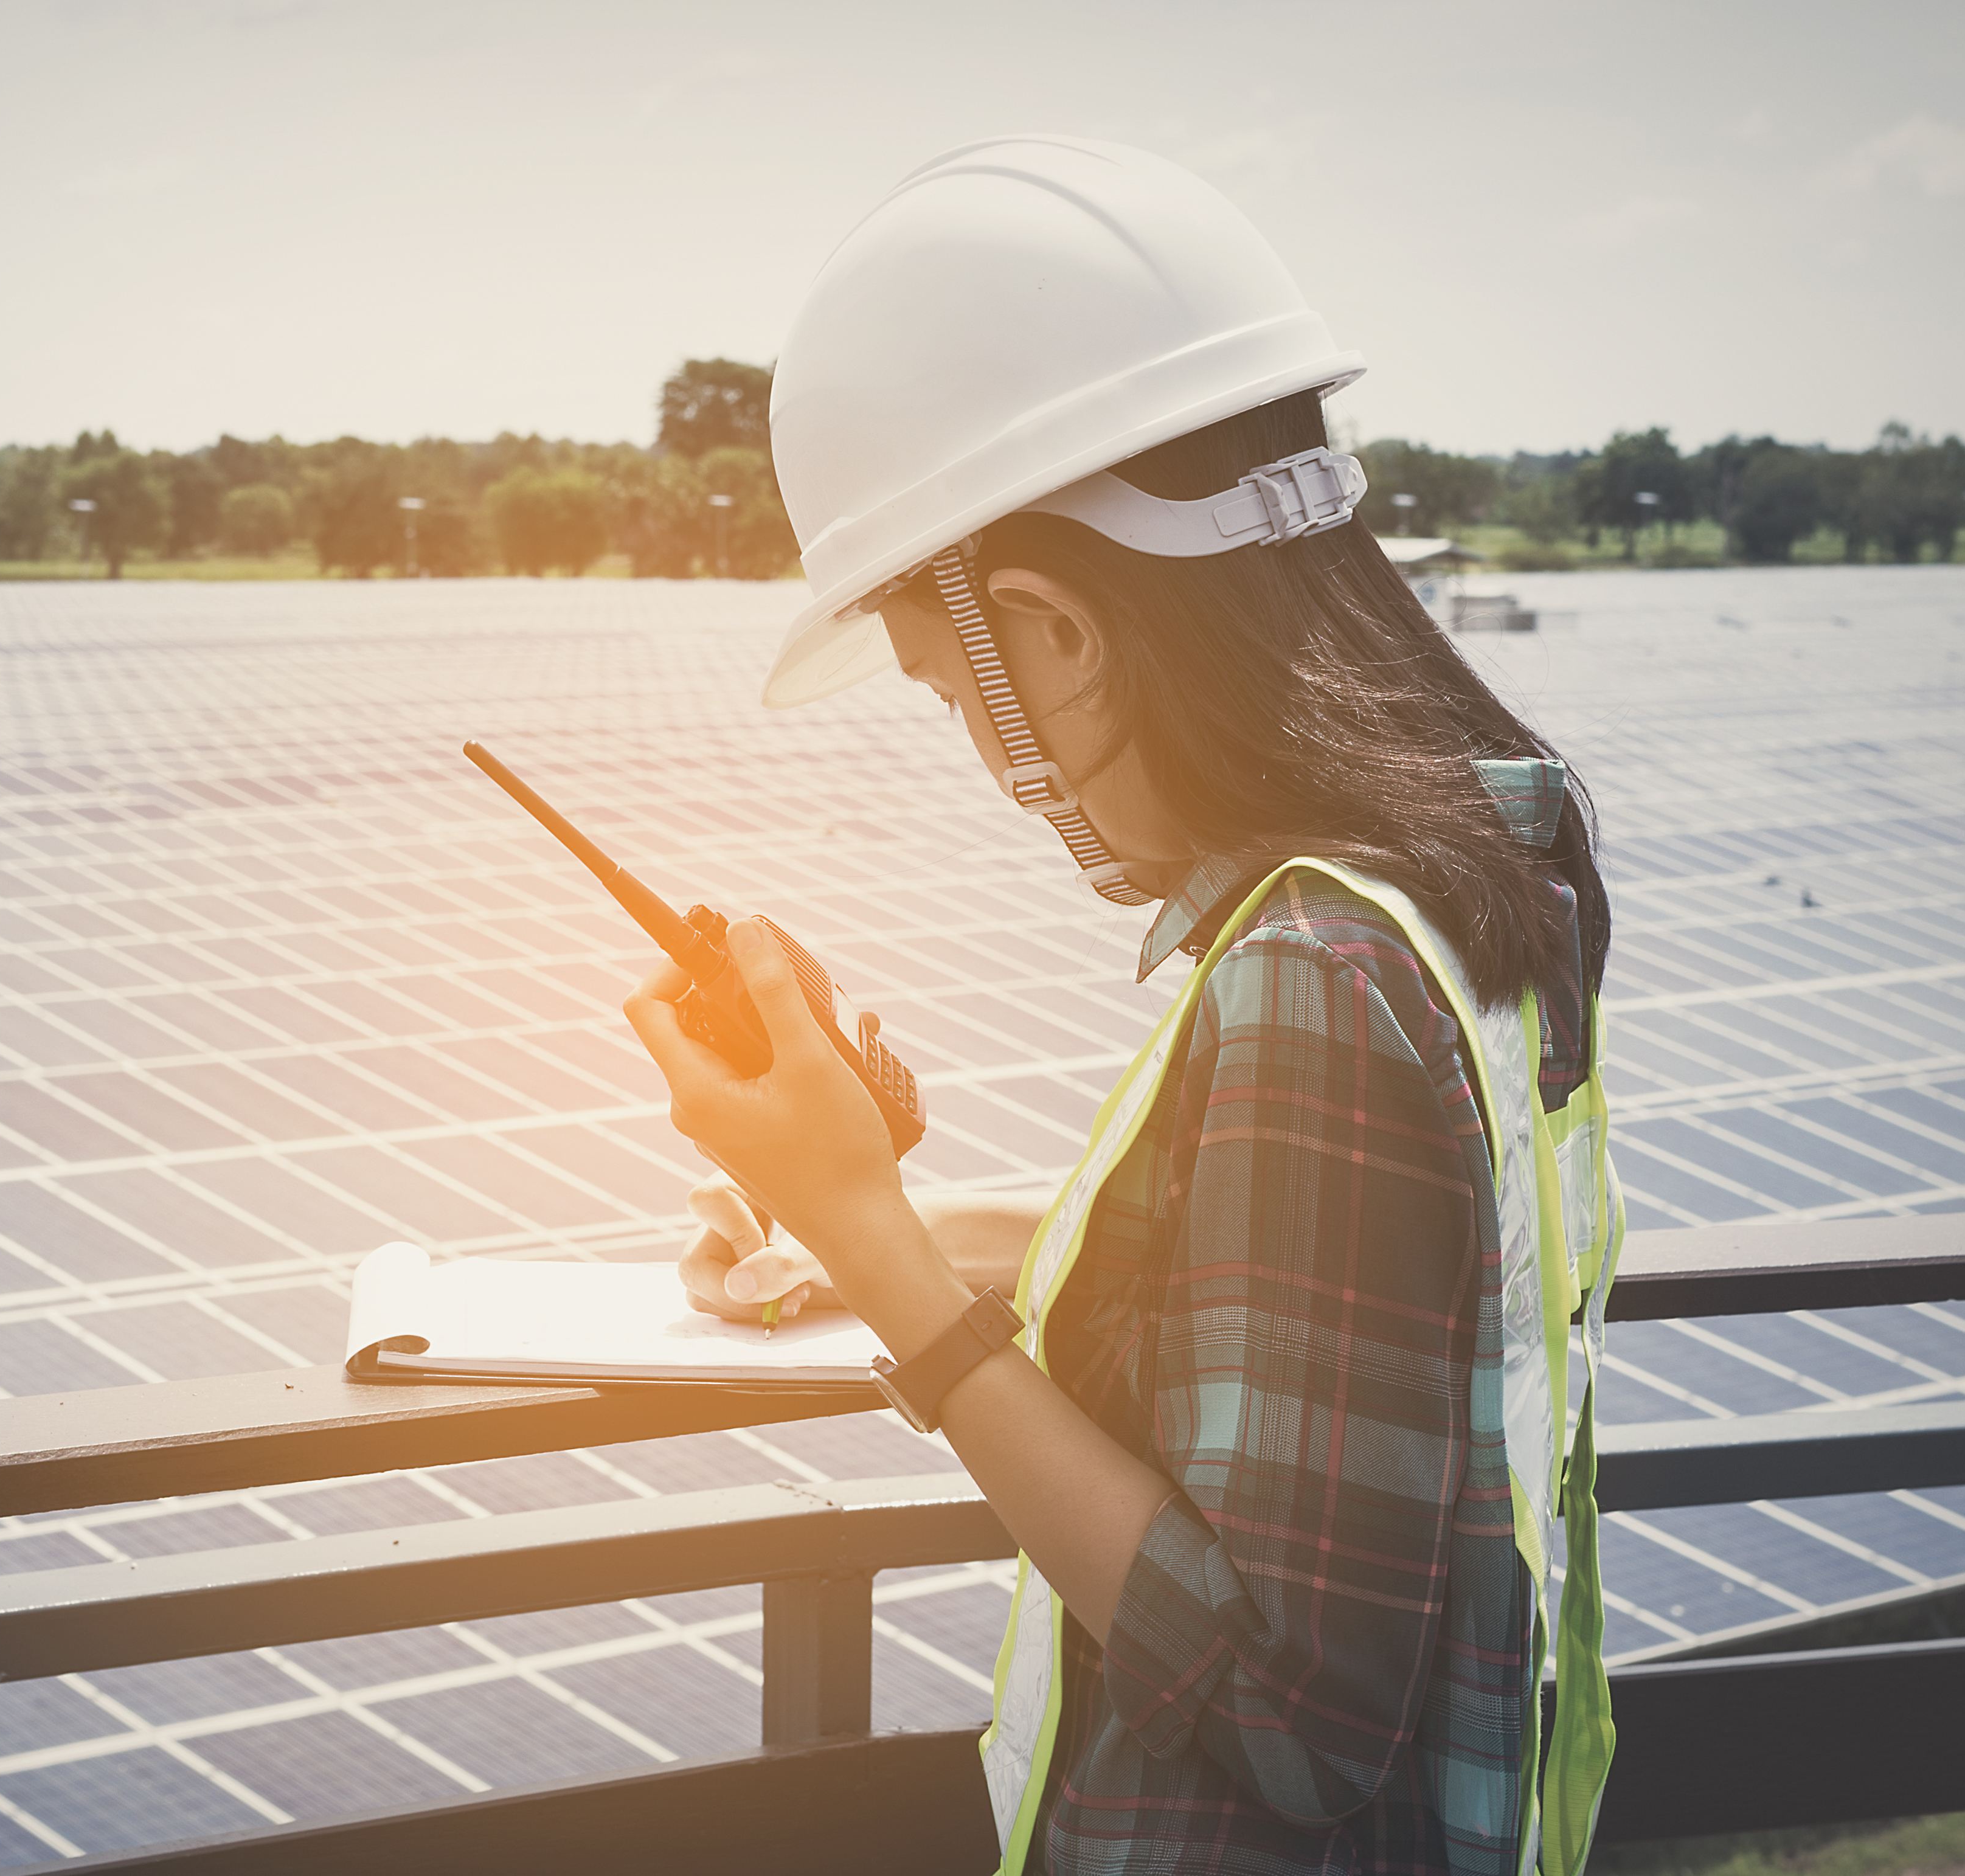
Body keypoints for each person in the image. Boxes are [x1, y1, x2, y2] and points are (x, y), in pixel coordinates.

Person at [622, 138, 1626, 1876]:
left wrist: (875, 1254)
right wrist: (927, 1216)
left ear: (1051, 635)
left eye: (953, 694)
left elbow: (1285, 1716)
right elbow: (1385, 1275)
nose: (986, 763)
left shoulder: (1314, 970)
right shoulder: (1474, 867)